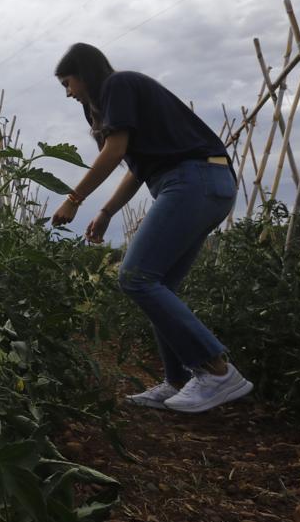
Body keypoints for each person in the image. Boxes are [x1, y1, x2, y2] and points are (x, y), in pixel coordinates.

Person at [49, 42, 252, 413]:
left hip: (193, 180)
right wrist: (106, 212)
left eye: (67, 82)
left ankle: (218, 372)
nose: (68, 93)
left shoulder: (117, 85)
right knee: (160, 286)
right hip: (203, 183)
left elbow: (112, 152)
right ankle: (178, 381)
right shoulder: (121, 102)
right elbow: (135, 169)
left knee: (136, 277)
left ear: (83, 72)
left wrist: (74, 199)